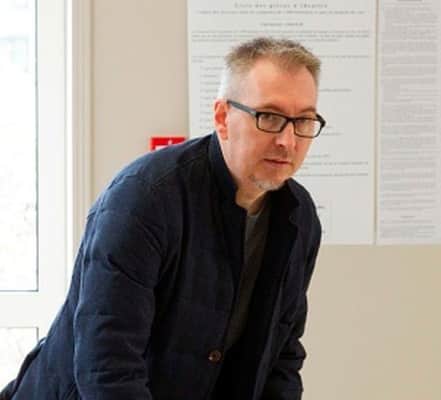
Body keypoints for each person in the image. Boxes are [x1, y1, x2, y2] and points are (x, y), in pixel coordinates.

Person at [0, 37, 324, 400]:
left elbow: (281, 357)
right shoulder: (144, 198)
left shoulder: (299, 217)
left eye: (303, 120)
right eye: (270, 117)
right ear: (222, 117)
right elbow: (107, 365)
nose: (288, 140)